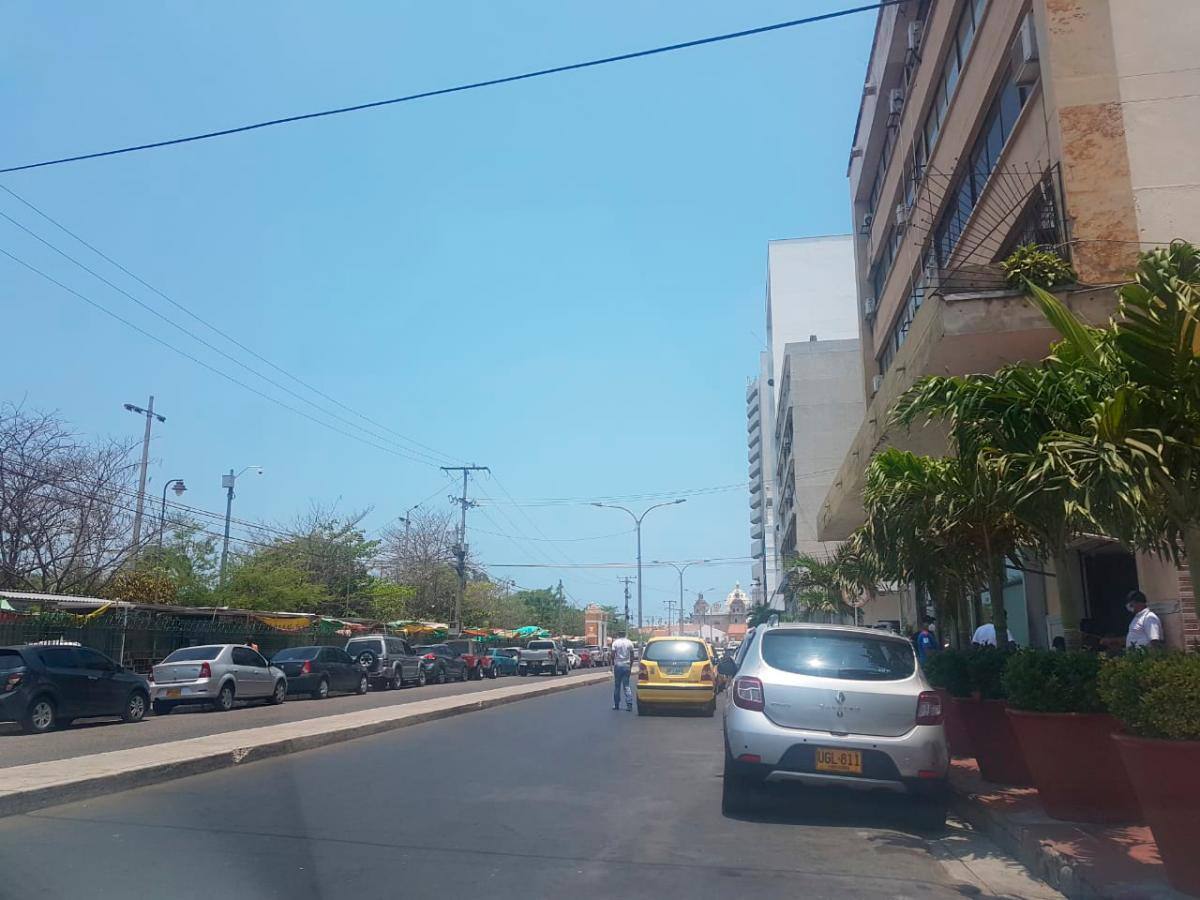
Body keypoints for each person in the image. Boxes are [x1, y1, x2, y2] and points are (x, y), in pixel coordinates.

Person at [610, 630, 634, 711]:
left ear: (619, 634)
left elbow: (612, 655)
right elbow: (632, 656)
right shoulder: (629, 642)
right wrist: (630, 667)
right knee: (626, 686)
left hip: (618, 665)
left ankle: (616, 704)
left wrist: (613, 664)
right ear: (625, 634)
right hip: (626, 665)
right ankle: (629, 704)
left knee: (617, 686)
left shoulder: (615, 643)